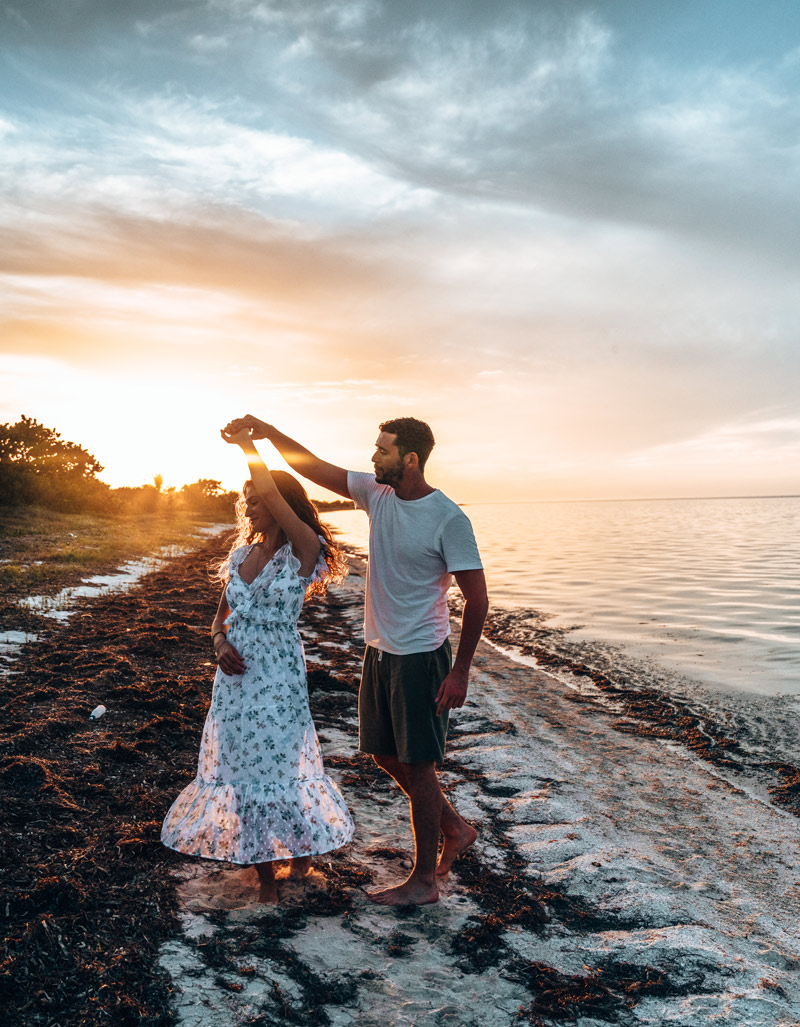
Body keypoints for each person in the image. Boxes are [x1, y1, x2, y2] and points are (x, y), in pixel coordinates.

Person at [222, 414, 488, 906]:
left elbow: (477, 600)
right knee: (385, 755)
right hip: (379, 651)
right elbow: (312, 467)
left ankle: (424, 881)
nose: (373, 458)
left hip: (420, 655)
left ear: (409, 459)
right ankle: (453, 828)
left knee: (419, 764)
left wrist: (460, 670)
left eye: (382, 451)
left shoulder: (449, 519)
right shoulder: (376, 494)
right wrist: (266, 433)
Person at [160, 427, 354, 903]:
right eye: (246, 499)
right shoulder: (241, 555)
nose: (248, 506)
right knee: (241, 767)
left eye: (257, 499)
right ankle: (266, 876)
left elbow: (271, 488)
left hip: (278, 678)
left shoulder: (303, 553)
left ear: (279, 503)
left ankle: (301, 851)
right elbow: (218, 618)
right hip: (233, 681)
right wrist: (219, 643)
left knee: (280, 766)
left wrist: (250, 447)